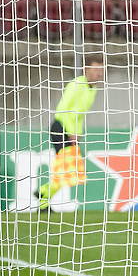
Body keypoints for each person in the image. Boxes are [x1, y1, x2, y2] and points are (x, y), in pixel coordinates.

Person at [35, 54, 105, 211]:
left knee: (68, 169)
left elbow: (79, 115)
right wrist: (72, 133)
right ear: (86, 69)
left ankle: (43, 193)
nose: (99, 73)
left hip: (70, 131)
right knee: (67, 169)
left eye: (101, 69)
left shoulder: (92, 89)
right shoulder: (76, 85)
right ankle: (44, 196)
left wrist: (78, 133)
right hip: (60, 128)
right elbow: (65, 110)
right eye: (96, 69)